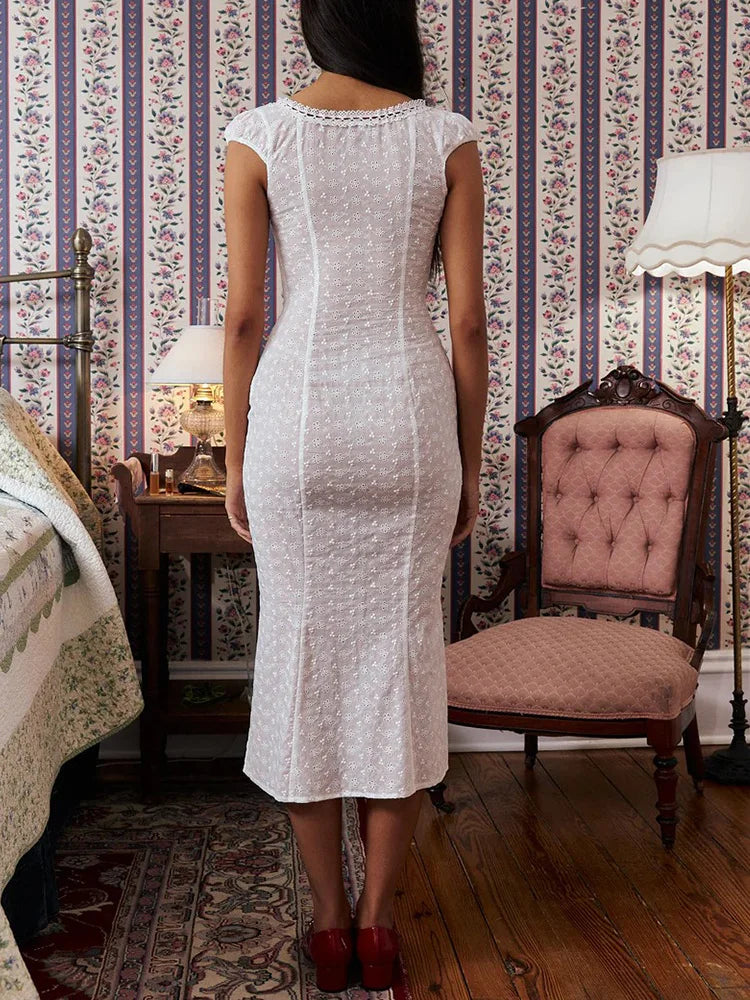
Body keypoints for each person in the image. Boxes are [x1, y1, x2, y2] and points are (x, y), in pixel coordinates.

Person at [222, 0, 487, 990]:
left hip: (297, 422)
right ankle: (381, 924)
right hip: (409, 423)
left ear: (316, 24)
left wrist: (240, 462)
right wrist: (466, 462)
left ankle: (329, 924)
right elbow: (467, 327)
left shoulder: (259, 134)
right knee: (397, 663)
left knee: (299, 658)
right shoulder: (446, 137)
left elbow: (246, 319)